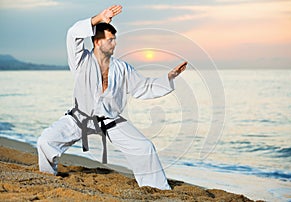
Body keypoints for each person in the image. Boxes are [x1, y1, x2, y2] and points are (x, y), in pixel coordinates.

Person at [37, 5, 187, 190]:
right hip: (80, 118)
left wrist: (169, 78)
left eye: (115, 39)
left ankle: (156, 188)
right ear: (97, 42)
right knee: (46, 141)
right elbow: (73, 34)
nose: (114, 44)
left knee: (144, 147)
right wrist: (99, 18)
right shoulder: (80, 60)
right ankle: (47, 176)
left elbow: (143, 87)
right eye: (110, 40)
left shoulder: (122, 68)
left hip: (110, 120)